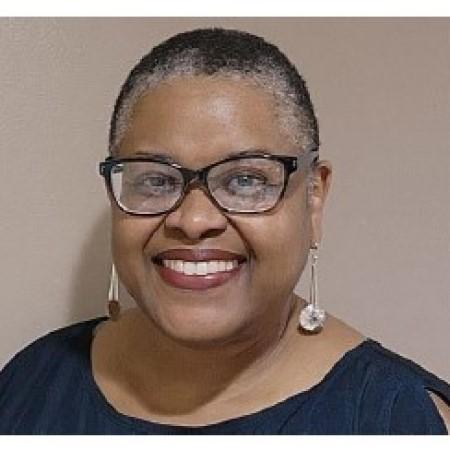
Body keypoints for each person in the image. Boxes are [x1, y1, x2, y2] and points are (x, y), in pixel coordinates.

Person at [0, 27, 449, 435]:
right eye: (156, 179)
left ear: (313, 199)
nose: (194, 221)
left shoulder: (402, 421)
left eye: (246, 180)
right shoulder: (31, 385)